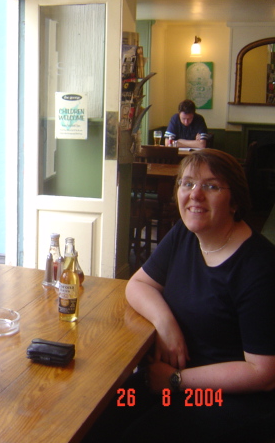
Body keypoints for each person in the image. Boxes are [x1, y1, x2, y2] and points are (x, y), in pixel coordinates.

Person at [84, 149, 275, 442]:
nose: (195, 194)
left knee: (136, 437)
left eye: (211, 186)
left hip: (225, 397)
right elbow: (138, 284)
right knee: (97, 419)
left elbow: (263, 373)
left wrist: (176, 381)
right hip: (165, 379)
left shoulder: (259, 267)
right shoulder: (185, 235)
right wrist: (165, 323)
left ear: (235, 201)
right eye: (187, 183)